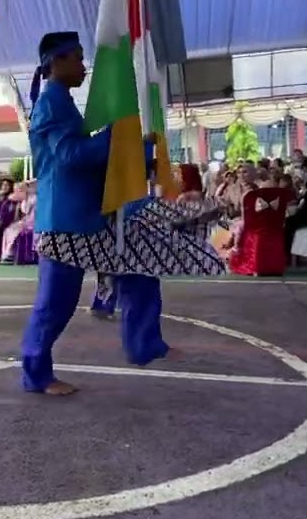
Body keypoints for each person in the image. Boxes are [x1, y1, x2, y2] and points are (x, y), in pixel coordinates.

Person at [20, 31, 225, 396]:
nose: (84, 67)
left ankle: (145, 344)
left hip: (94, 214)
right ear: (58, 61)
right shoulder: (50, 103)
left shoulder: (62, 102)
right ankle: (35, 374)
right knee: (56, 303)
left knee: (141, 268)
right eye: (78, 59)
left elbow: (90, 157)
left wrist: (139, 149)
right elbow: (71, 157)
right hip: (66, 222)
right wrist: (117, 135)